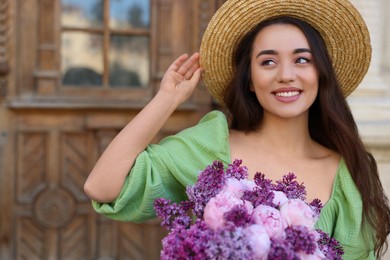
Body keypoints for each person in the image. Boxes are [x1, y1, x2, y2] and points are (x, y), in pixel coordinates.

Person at [84, 0, 390, 258]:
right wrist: (168, 99)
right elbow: (101, 186)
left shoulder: (346, 173)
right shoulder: (211, 149)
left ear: (321, 74)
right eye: (268, 62)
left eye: (302, 59)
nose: (286, 75)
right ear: (249, 80)